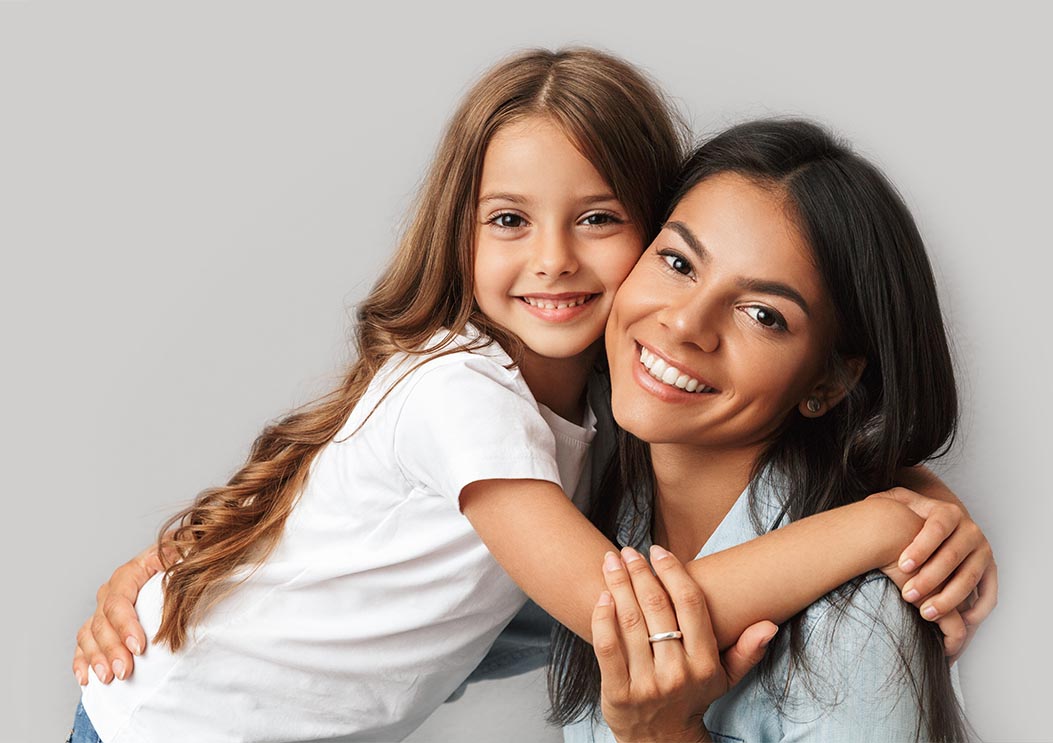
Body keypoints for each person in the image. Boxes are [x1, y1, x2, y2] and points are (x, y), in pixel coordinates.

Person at [69, 51, 993, 743]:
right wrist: (883, 522)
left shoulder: (596, 429)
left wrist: (909, 500)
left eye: (596, 220)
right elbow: (614, 616)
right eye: (509, 220)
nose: (554, 258)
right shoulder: (481, 407)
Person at [556, 119, 983, 742]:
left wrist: (664, 736)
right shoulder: (592, 488)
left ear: (829, 384)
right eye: (678, 262)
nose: (685, 324)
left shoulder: (859, 622)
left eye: (763, 315)